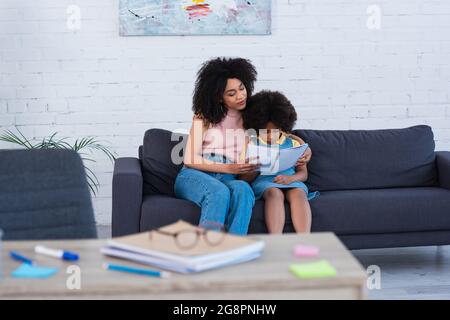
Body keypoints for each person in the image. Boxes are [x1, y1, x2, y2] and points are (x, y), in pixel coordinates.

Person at [173, 57, 260, 235]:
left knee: (244, 190)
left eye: (242, 88)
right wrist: (228, 167)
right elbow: (190, 159)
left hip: (230, 177)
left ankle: (234, 250)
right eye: (231, 93)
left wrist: (253, 167)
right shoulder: (203, 117)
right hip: (196, 175)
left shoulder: (252, 120)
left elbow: (244, 177)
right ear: (219, 98)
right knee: (218, 192)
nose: (241, 95)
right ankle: (208, 253)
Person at [241, 90, 319, 234]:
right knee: (274, 194)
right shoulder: (253, 143)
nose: (270, 136)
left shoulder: (293, 143)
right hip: (265, 182)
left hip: (291, 180)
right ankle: (276, 238)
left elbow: (303, 174)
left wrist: (291, 178)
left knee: (299, 194)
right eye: (265, 131)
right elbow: (244, 178)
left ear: (283, 126)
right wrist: (254, 168)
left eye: (274, 131)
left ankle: (305, 237)